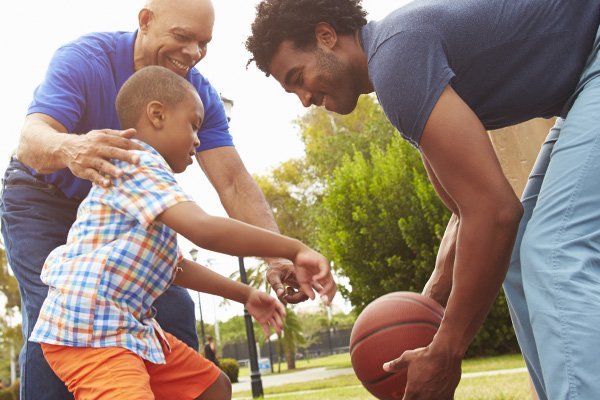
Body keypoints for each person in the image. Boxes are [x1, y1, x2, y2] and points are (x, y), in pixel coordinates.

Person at [245, 0, 600, 399]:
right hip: (583, 85)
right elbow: (465, 213)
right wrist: (428, 303)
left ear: (326, 37)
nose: (304, 98)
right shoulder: (396, 65)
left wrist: (447, 349)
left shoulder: (396, 58)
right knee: (518, 252)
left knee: (552, 248)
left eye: (298, 77)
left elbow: (495, 212)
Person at [0, 0, 322, 398]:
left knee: (175, 311)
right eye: (182, 37)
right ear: (146, 21)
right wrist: (72, 149)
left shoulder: (190, 96)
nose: (193, 53)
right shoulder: (87, 61)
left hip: (124, 213)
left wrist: (276, 261)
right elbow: (31, 141)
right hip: (45, 196)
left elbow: (233, 181)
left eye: (203, 42)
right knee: (58, 314)